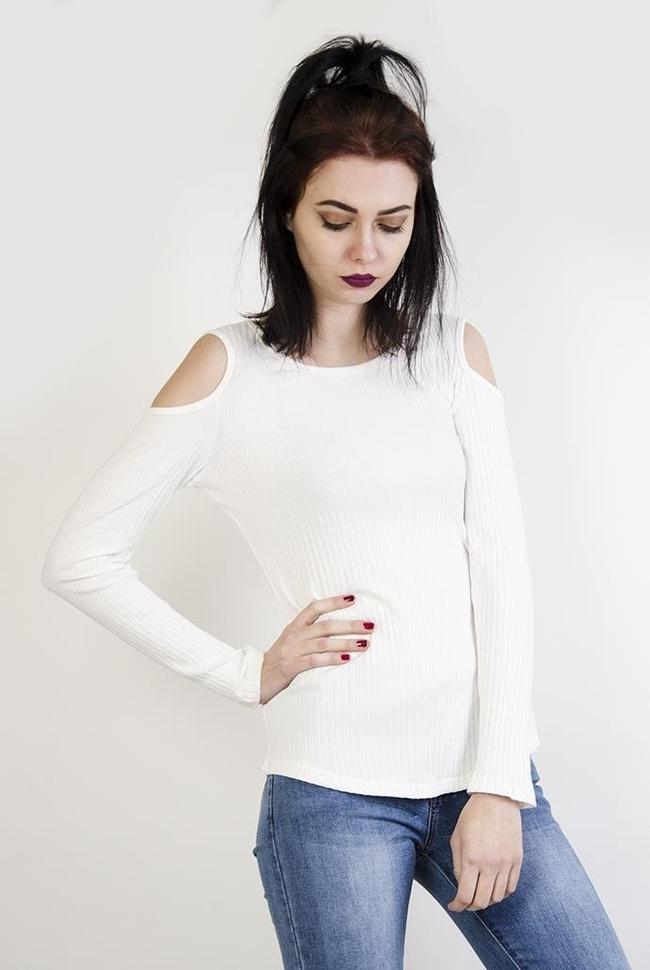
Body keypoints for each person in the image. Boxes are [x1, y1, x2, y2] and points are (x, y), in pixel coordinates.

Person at [41, 33, 631, 970]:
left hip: (482, 778)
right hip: (330, 795)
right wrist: (244, 672)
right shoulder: (229, 370)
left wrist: (497, 786)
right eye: (336, 218)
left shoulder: (452, 354)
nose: (367, 250)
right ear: (287, 212)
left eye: (393, 223)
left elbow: (500, 571)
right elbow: (79, 559)